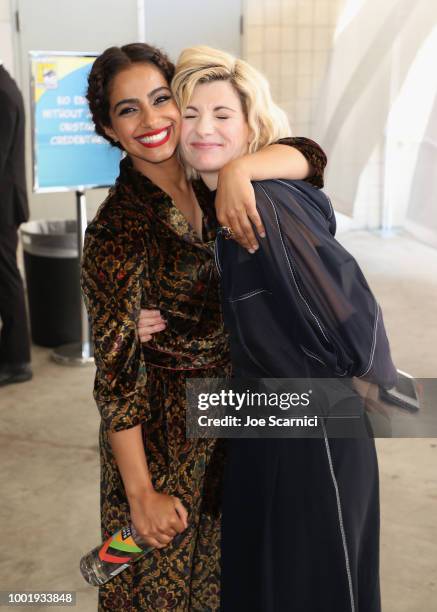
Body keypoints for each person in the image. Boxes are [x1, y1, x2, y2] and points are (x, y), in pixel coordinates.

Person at [81, 42, 327, 611]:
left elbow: (310, 156)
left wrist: (242, 168)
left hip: (229, 429)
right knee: (144, 587)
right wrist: (141, 495)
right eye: (128, 110)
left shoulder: (206, 177)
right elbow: (115, 380)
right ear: (107, 127)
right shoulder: (118, 228)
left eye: (161, 99)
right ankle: (113, 551)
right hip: (160, 447)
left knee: (219, 591)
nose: (151, 120)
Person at [168, 45, 398, 612]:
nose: (203, 129)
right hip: (265, 419)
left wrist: (369, 383)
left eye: (221, 115)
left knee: (314, 585)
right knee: (270, 581)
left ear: (252, 128)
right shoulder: (225, 195)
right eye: (190, 115)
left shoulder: (259, 204)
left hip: (310, 429)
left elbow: (347, 308)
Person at [0, 62, 32, 387]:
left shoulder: (2, 92)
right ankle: (10, 353)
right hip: (4, 202)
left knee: (7, 280)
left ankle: (18, 361)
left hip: (2, 205)